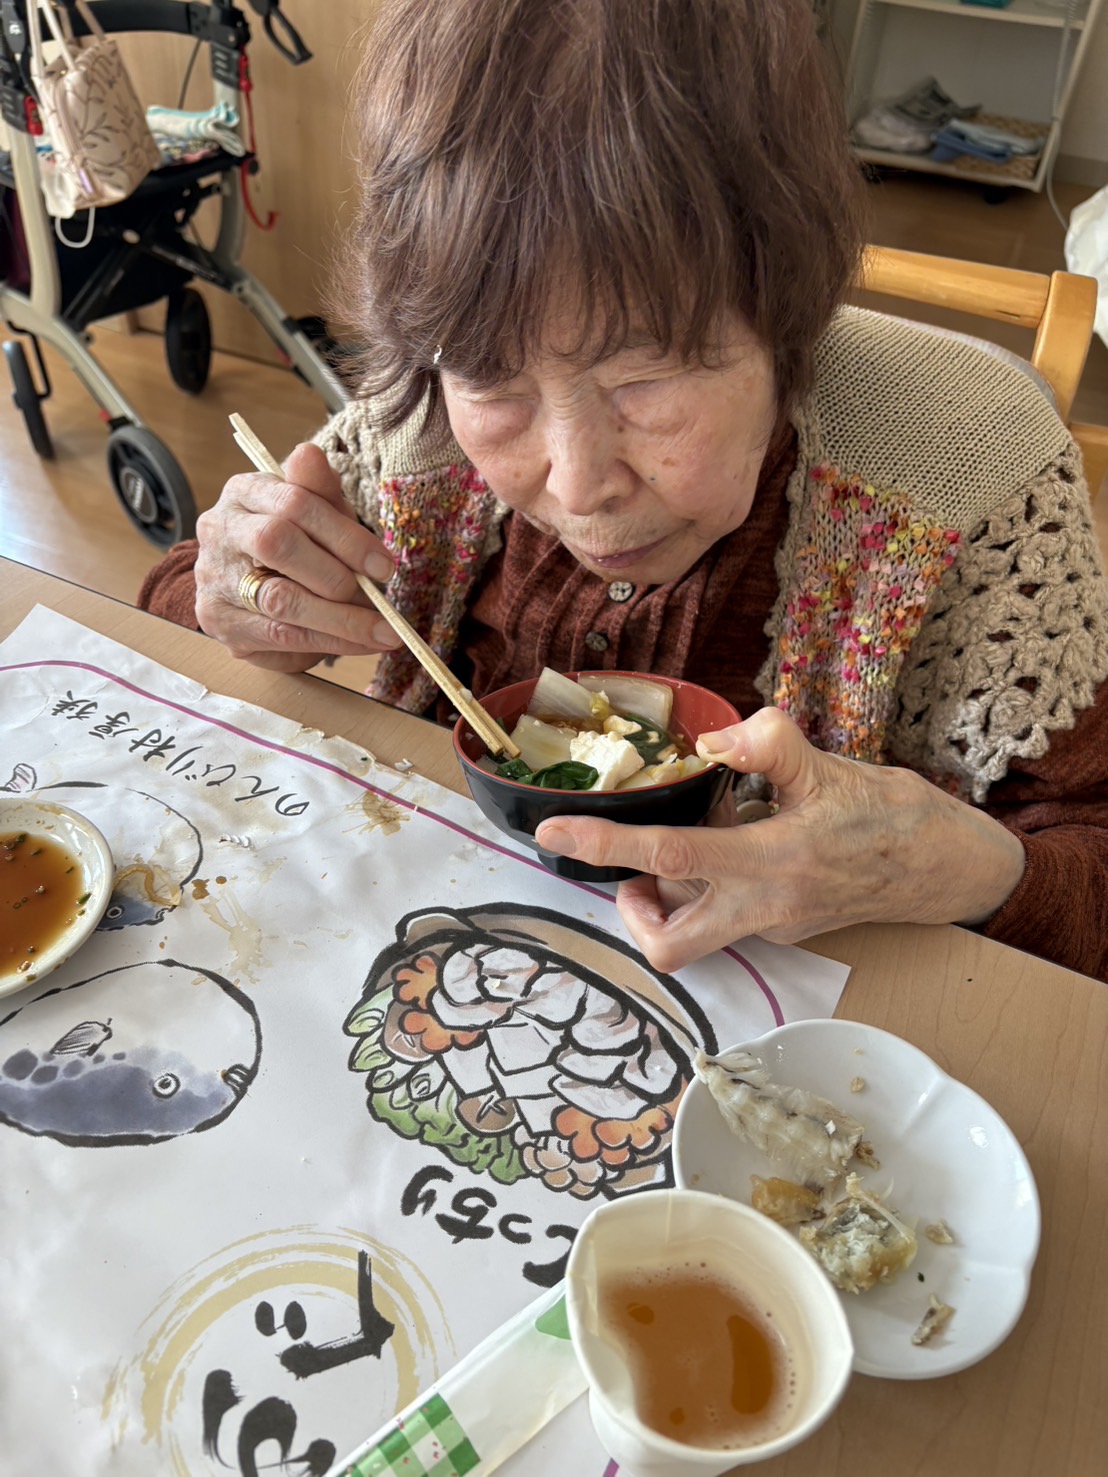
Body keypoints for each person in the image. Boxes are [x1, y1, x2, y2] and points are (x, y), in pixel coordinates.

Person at [140, 0, 1108, 982]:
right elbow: (179, 603)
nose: (578, 484)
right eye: (493, 380)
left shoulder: (967, 478)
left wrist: (963, 867)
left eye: (646, 378)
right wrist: (234, 591)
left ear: (790, 318)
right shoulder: (420, 428)